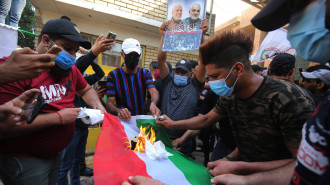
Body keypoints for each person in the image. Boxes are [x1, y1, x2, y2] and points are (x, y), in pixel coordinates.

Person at [156, 30, 314, 184]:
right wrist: (173, 124)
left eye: (215, 76)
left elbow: (304, 165)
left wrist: (242, 172)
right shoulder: (231, 95)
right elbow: (206, 119)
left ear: (238, 69)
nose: (210, 83)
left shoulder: (289, 99)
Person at [0, 18, 105, 185]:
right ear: (46, 40)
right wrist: (59, 118)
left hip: (56, 155)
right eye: (67, 48)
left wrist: (98, 107)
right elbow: (4, 126)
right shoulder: (14, 70)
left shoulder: (69, 70)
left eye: (75, 51)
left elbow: (85, 89)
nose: (72, 56)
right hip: (25, 160)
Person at [58, 34, 113, 185]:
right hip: (72, 127)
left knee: (77, 162)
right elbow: (78, 66)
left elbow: (100, 74)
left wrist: (92, 60)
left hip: (83, 127)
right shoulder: (68, 74)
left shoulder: (83, 80)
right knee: (64, 165)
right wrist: (90, 54)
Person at [157, 21, 208, 156]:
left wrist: (202, 36)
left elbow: (203, 63)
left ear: (190, 74)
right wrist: (164, 36)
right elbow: (161, 61)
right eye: (177, 72)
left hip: (184, 141)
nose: (179, 75)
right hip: (162, 139)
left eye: (183, 73)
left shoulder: (195, 86)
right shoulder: (168, 82)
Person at [106, 38, 160, 120]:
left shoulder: (145, 73)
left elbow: (153, 91)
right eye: (130, 55)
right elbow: (109, 103)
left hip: (140, 121)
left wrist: (153, 103)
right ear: (122, 54)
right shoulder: (113, 76)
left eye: (136, 55)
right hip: (123, 121)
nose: (133, 58)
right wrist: (119, 111)